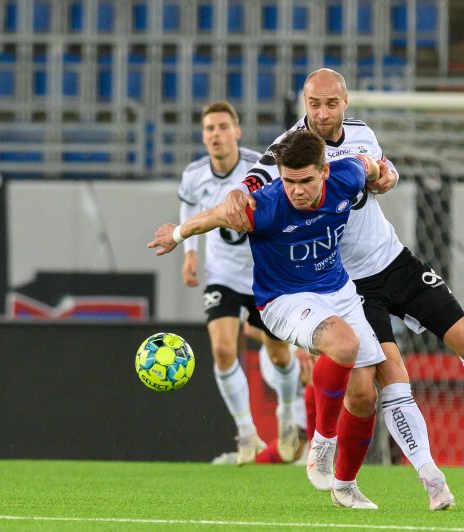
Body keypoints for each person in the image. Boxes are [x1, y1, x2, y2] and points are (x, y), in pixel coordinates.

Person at [224, 68, 464, 510]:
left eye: (331, 104)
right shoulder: (290, 149)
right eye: (313, 104)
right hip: (346, 282)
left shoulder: (363, 133)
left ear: (346, 102)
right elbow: (254, 182)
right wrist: (235, 194)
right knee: (390, 376)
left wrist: (390, 175)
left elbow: (381, 170)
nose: (322, 114)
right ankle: (431, 478)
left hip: (393, 259)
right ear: (303, 105)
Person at [151, 130, 386, 509]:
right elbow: (213, 216)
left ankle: (345, 487)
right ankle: (322, 445)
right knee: (344, 345)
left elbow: (371, 165)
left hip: (338, 292)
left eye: (306, 181)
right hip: (284, 300)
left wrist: (385, 171)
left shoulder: (348, 175)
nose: (297, 191)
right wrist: (177, 234)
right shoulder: (266, 205)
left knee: (363, 394)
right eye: (289, 181)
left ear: (325, 171)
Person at [177, 101, 300, 465]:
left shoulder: (258, 168)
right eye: (209, 128)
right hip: (223, 275)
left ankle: (288, 416)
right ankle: (246, 433)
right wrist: (190, 254)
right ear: (203, 136)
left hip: (265, 274)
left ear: (237, 131)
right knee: (223, 350)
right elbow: (187, 209)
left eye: (221, 127)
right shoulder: (194, 175)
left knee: (279, 353)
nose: (215, 134)